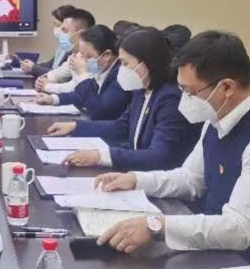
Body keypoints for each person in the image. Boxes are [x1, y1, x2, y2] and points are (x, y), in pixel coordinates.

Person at [93, 31, 250, 269]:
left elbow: (240, 229)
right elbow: (191, 179)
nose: (184, 100)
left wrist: (157, 225)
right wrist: (135, 180)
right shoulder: (217, 117)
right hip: (220, 257)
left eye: (190, 92)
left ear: (227, 87)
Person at [45, 27, 199, 171]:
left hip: (158, 180)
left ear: (147, 64)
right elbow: (121, 127)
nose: (121, 69)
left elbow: (159, 156)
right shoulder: (142, 90)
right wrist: (76, 127)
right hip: (137, 172)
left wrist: (102, 157)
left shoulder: (170, 98)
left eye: (125, 63)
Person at [35, 25, 130, 120]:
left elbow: (100, 113)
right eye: (81, 55)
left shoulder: (120, 75)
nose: (83, 60)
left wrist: (82, 74)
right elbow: (82, 97)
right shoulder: (102, 68)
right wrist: (53, 99)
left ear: (106, 55)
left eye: (88, 56)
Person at [19, 6, 94, 77]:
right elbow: (57, 73)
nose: (59, 31)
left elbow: (61, 78)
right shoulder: (73, 55)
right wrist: (33, 67)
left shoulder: (89, 60)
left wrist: (34, 68)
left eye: (64, 29)